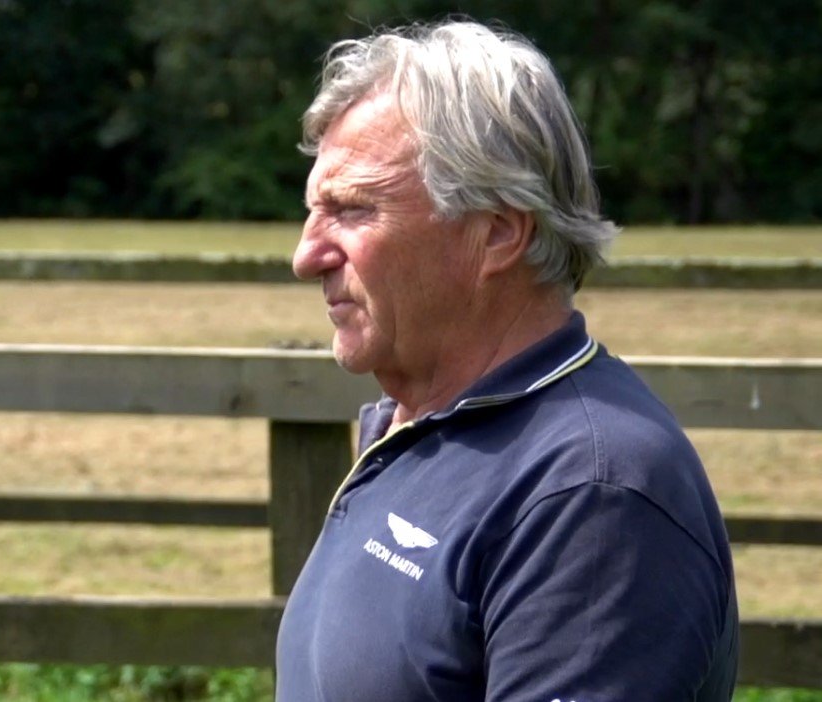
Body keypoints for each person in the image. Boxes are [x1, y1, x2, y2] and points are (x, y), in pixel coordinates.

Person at [275, 20, 738, 701]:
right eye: (315, 210)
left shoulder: (592, 496)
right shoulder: (422, 428)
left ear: (495, 233)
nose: (305, 256)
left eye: (351, 210)